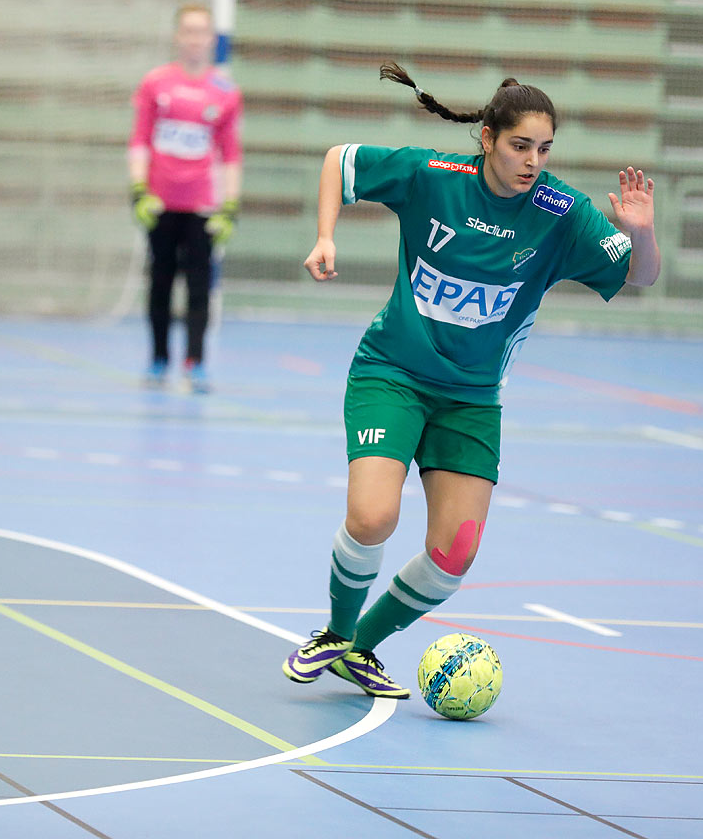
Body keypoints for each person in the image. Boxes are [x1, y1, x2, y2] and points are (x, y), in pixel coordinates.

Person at [281, 63, 660, 699]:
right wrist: (325, 236)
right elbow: (339, 161)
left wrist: (641, 232)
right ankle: (333, 633)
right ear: (487, 138)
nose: (532, 161)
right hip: (393, 373)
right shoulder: (433, 177)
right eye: (520, 146)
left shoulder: (561, 212)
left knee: (454, 554)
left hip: (472, 400)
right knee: (373, 517)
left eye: (544, 149)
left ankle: (361, 650)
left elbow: (641, 277)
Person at [128, 3, 243, 394]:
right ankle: (159, 358)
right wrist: (138, 191)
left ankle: (195, 362)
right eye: (188, 31)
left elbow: (231, 154)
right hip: (160, 204)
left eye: (202, 31)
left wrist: (231, 205)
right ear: (179, 36)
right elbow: (139, 140)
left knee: (199, 288)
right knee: (160, 283)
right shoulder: (155, 84)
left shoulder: (225, 92)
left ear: (212, 39)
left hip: (201, 206)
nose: (195, 39)